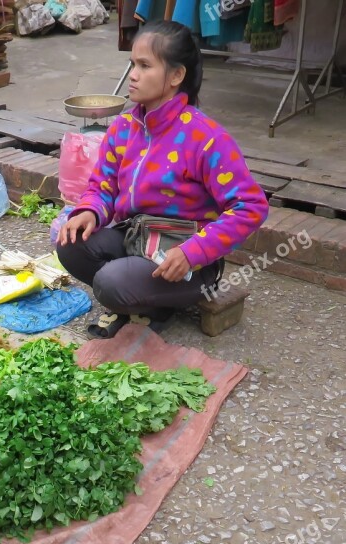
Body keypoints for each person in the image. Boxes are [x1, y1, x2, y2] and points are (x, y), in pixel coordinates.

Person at [56, 20, 268, 339]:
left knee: (111, 284)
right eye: (132, 64)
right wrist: (89, 210)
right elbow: (102, 187)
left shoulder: (206, 138)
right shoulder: (123, 128)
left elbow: (250, 206)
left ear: (176, 75)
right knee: (70, 243)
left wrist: (193, 252)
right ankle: (141, 294)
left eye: (145, 65)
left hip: (186, 259)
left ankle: (152, 298)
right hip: (134, 238)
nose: (133, 75)